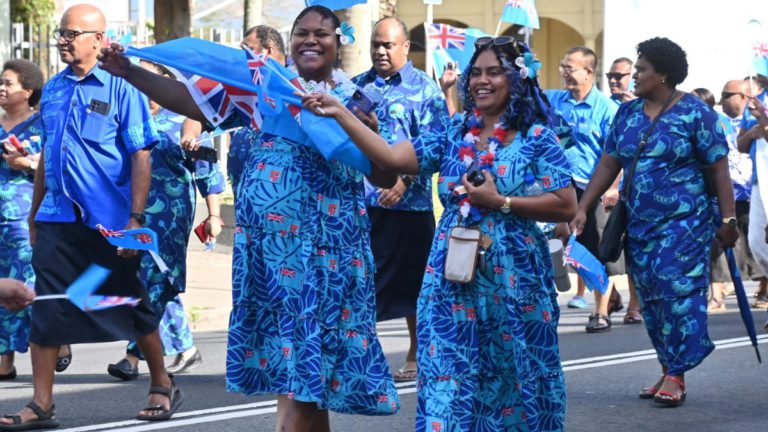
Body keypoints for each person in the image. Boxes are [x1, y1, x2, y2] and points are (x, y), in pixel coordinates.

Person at [99, 5, 400, 431]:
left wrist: (350, 122)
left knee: (301, 382)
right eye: (302, 33)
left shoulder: (356, 98)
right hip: (269, 259)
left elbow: (386, 172)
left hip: (323, 258)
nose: (310, 40)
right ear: (290, 41)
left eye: (322, 34)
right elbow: (195, 105)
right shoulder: (267, 89)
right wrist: (129, 71)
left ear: (340, 42)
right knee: (299, 383)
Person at [304, 37, 577, 431]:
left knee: (515, 372)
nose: (481, 81)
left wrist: (501, 201)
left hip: (515, 278)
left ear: (517, 79)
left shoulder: (537, 137)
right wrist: (341, 115)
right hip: (452, 275)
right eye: (476, 73)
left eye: (494, 73)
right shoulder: (454, 131)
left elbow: (565, 203)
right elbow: (391, 157)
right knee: (448, 370)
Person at [0, 5, 182, 430]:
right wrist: (34, 212)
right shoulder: (57, 89)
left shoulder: (125, 86)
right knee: (45, 307)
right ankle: (41, 403)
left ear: (99, 39)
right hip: (57, 217)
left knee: (130, 301)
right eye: (61, 33)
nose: (63, 39)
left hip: (110, 220)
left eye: (72, 33)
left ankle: (161, 382)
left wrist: (135, 219)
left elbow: (141, 153)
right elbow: (48, 156)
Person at [571, 37, 737, 407]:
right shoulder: (628, 115)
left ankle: (677, 373)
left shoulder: (696, 113)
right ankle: (668, 367)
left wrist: (727, 218)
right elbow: (609, 162)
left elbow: (719, 167)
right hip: (640, 226)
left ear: (663, 74)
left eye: (642, 69)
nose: (635, 76)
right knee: (650, 297)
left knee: (675, 293)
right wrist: (583, 205)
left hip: (684, 225)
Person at [106, 60, 226, 381]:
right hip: (135, 211)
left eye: (148, 78)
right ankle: (184, 347)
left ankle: (133, 355)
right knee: (152, 279)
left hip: (172, 213)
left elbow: (208, 171)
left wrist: (214, 215)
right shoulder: (130, 116)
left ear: (165, 82)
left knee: (155, 276)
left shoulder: (187, 119)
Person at [351, 17, 448, 382]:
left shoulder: (426, 90)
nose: (380, 50)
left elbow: (438, 141)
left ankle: (416, 350)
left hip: (411, 206)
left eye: (388, 44)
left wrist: (405, 181)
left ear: (405, 47)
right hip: (364, 205)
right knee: (363, 284)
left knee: (415, 286)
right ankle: (364, 359)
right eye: (376, 43)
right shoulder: (358, 87)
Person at [545, 46, 624, 332]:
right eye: (562, 66)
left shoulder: (607, 109)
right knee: (565, 248)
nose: (564, 72)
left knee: (596, 250)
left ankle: (600, 311)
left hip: (596, 189)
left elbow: (617, 155)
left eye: (570, 67)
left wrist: (611, 189)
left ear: (589, 72)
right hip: (559, 188)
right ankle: (609, 293)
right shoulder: (554, 100)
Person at [179, 24, 287, 198]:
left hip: (283, 197)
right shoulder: (243, 85)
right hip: (245, 197)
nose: (242, 58)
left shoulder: (295, 85)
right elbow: (201, 115)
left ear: (268, 51)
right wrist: (190, 135)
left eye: (248, 50)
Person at [0, 59, 44, 382]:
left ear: (28, 91)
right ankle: (5, 360)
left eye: (9, 83)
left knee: (23, 288)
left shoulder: (42, 125)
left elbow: (52, 168)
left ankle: (56, 339)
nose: (2, 88)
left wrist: (25, 163)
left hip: (23, 218)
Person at [736, 76, 768, 313]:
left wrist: (763, 123)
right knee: (757, 242)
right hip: (760, 181)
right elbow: (741, 144)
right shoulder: (756, 101)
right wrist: (752, 133)